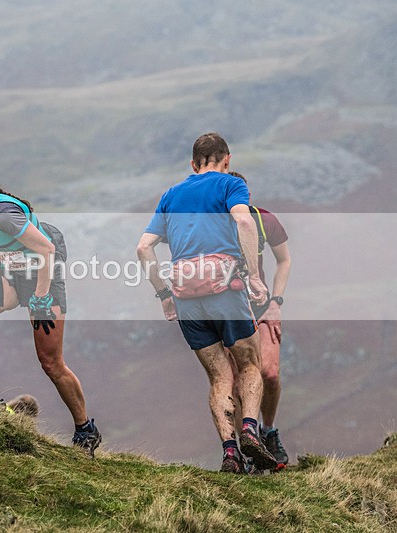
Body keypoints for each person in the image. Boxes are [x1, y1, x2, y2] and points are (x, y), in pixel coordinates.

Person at [137, 132, 277, 473]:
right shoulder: (230, 185)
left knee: (218, 377)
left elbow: (143, 248)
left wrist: (164, 296)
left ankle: (230, 454)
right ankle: (249, 431)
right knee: (249, 364)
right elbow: (244, 220)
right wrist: (256, 277)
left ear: (192, 163)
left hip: (186, 297)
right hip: (224, 289)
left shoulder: (171, 195)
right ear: (227, 159)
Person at [0, 153, 102, 456]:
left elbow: (47, 249)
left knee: (51, 363)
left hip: (43, 278)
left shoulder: (3, 214)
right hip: (11, 274)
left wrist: (41, 298)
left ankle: (85, 430)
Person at [227, 171, 292, 468]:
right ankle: (247, 449)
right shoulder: (212, 224)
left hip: (263, 307)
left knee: (270, 375)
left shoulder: (263, 220)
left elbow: (284, 259)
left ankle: (268, 431)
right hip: (229, 310)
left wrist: (276, 303)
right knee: (238, 382)